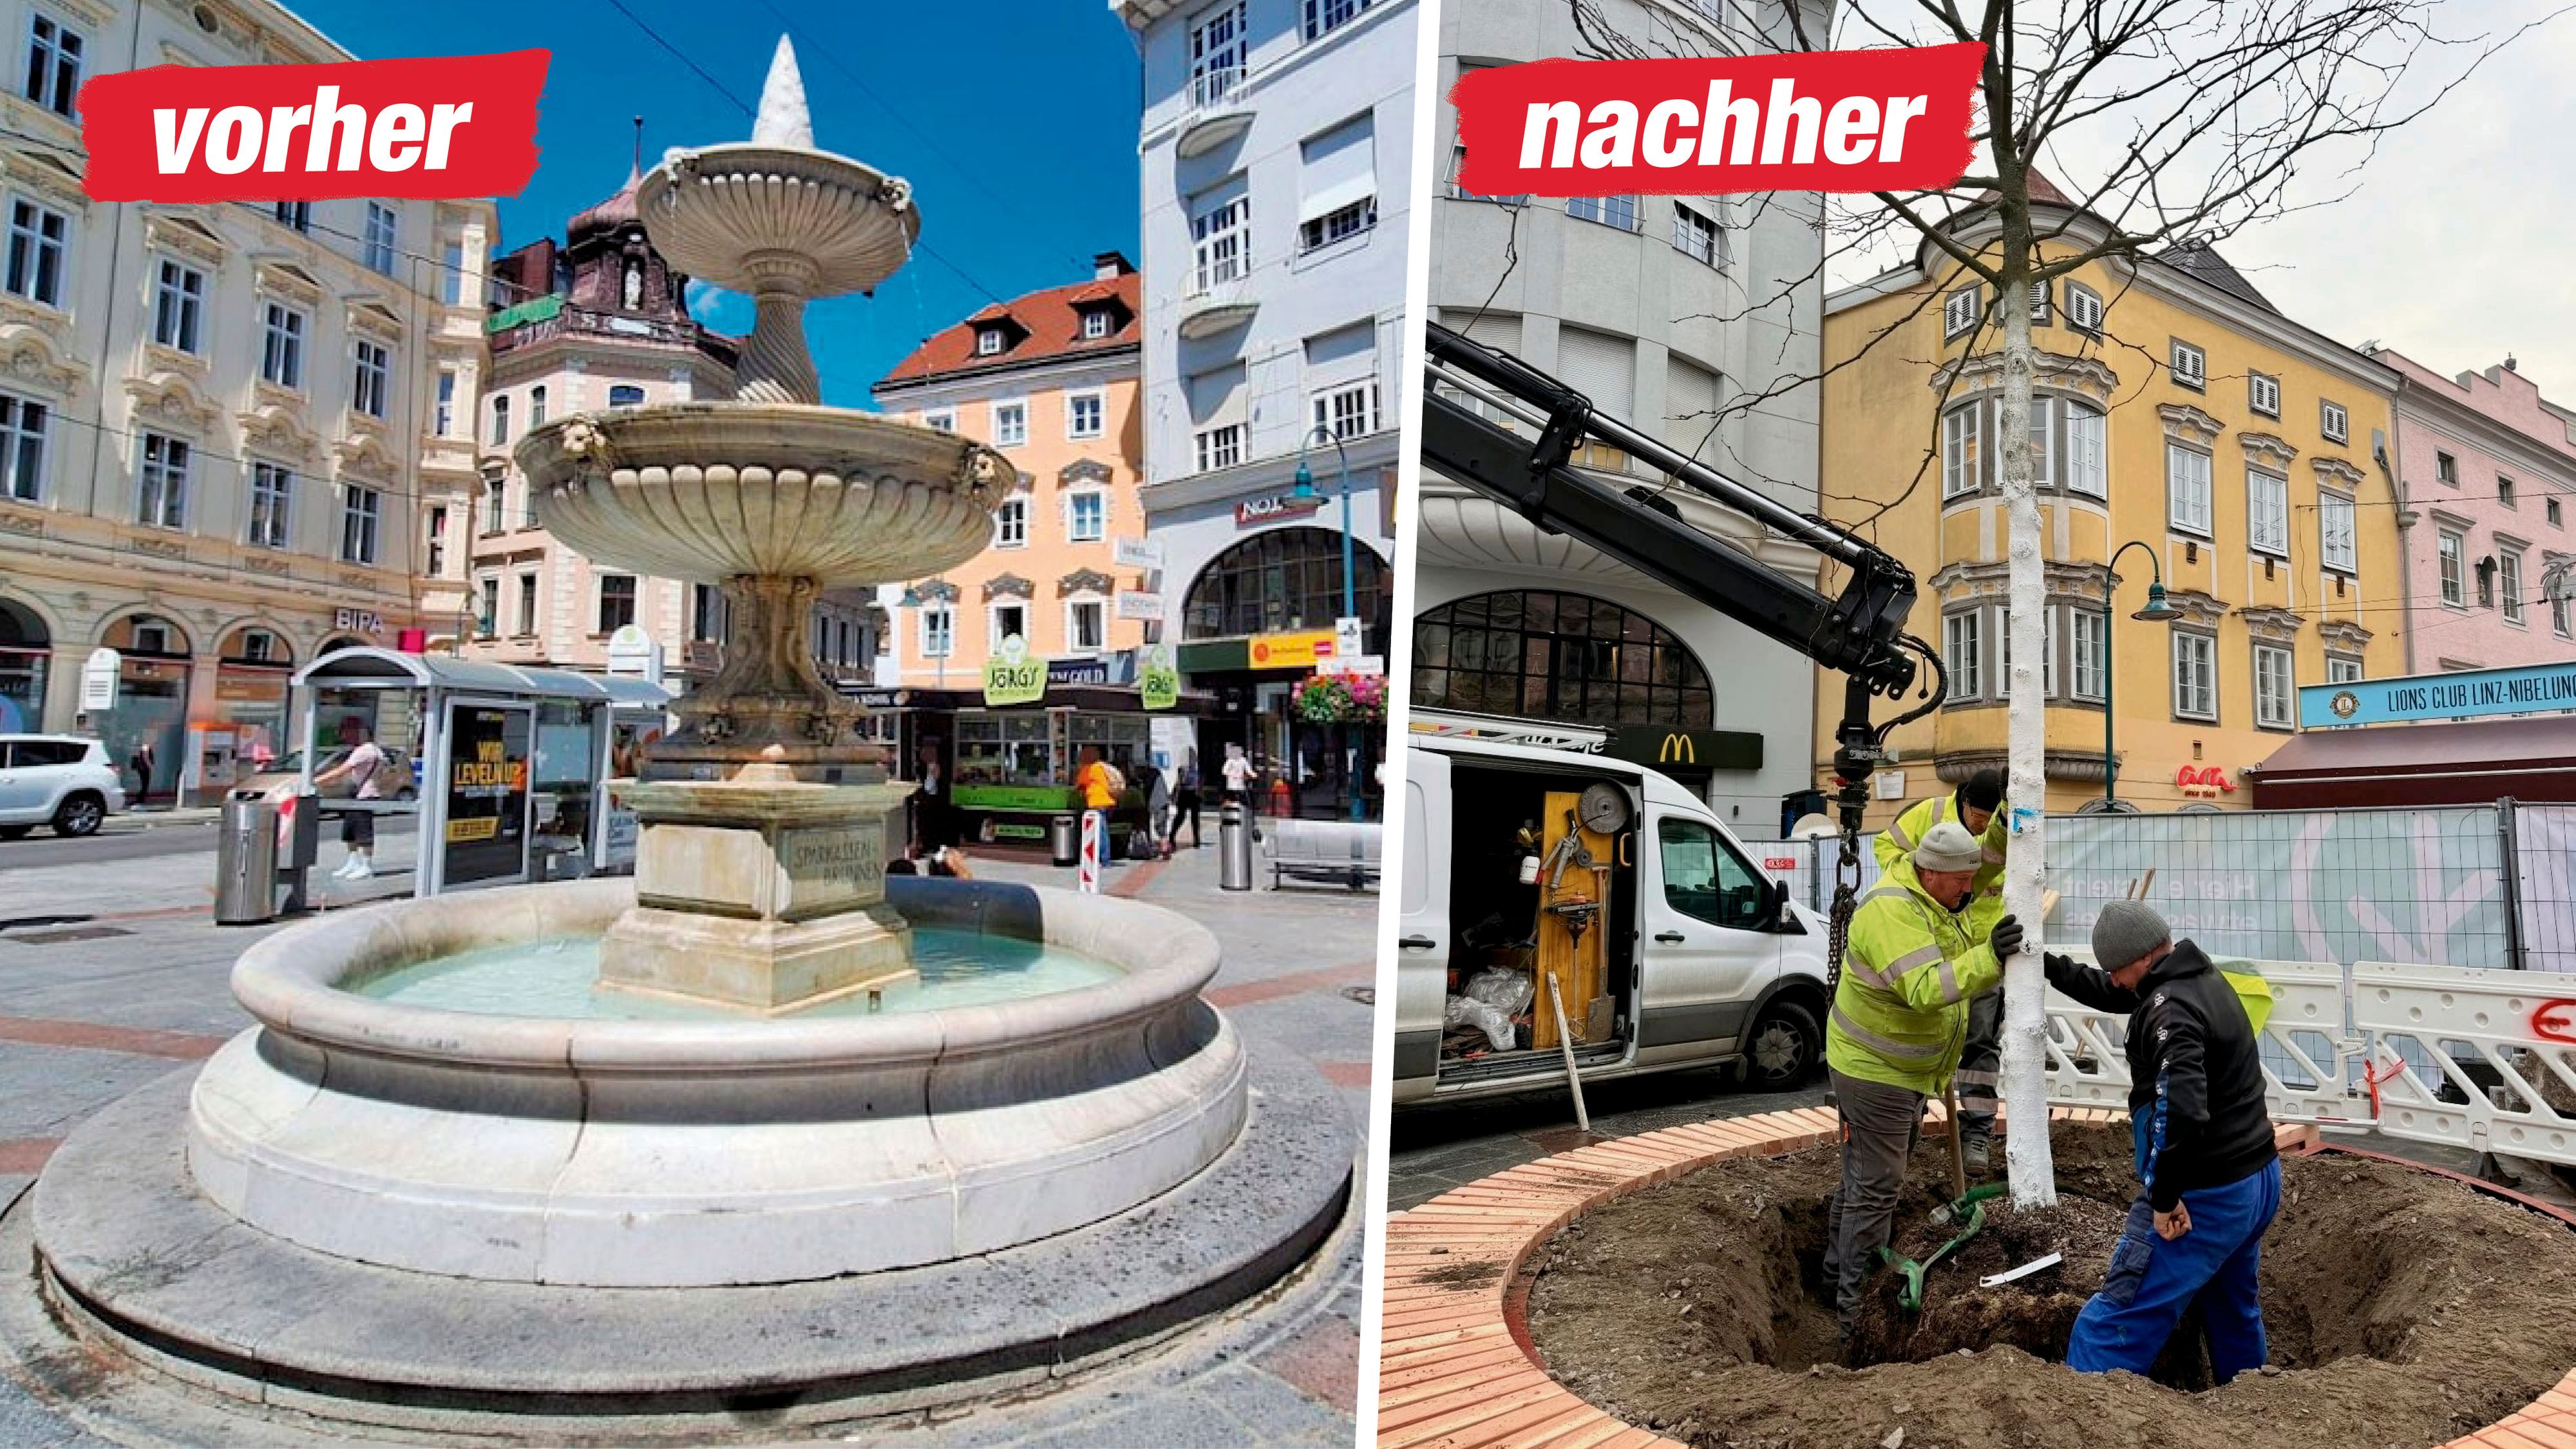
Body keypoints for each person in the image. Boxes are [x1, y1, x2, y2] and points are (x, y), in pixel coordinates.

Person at [2047, 901, 2283, 1383]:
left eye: (2117, 970)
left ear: (2144, 959)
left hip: (2206, 1193)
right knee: (2231, 1305)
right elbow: (2115, 992)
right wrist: (2043, 965)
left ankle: (2082, 1413)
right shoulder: (2197, 978)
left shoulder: (2169, 1011)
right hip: (2256, 1180)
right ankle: (2254, 1407)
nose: (2113, 981)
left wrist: (2164, 1196)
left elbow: (2182, 1111)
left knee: (2118, 1314)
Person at [1821, 819, 2022, 1345]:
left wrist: (2003, 821)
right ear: (1931, 873)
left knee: (1864, 1178)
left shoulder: (1935, 902)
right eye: (1962, 881)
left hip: (1897, 1071)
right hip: (1874, 1072)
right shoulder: (1892, 911)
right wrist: (1990, 957)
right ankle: (1853, 1320)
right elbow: (1928, 987)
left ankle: (1832, 1283)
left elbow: (1970, 926)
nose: (1969, 890)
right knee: (1875, 1189)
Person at [1874, 767, 2010, 1173]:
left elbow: (1997, 856)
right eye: (1979, 818)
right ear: (1964, 802)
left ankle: (1977, 1134)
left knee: (1979, 1043)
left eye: (1990, 820)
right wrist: (1923, 880)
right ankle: (1907, 1124)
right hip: (1931, 946)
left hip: (1983, 954)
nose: (1982, 825)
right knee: (1920, 1038)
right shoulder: (1930, 815)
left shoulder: (2001, 828)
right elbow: (1887, 849)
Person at [314, 716, 387, 880]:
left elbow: (342, 770)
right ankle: (353, 862)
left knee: (363, 831)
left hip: (364, 795)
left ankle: (366, 865)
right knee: (350, 831)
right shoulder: (372, 750)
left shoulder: (366, 751)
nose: (345, 736)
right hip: (358, 794)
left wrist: (315, 781)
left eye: (348, 732)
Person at [1074, 745, 1120, 878]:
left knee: (1100, 832)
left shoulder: (1090, 768)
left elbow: (1079, 783)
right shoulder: (1101, 767)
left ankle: (1104, 860)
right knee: (1103, 831)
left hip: (1097, 803)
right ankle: (1104, 859)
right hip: (1108, 802)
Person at [913, 741, 949, 853]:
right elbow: (923, 786)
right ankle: (926, 846)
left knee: (935, 824)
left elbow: (942, 784)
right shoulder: (920, 768)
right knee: (924, 825)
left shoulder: (942, 765)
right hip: (925, 801)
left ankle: (936, 846)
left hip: (937, 801)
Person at [1169, 750, 1203, 850]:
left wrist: (1200, 792)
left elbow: (1199, 782)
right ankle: (1172, 836)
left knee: (1195, 817)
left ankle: (1197, 839)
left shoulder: (1197, 769)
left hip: (1194, 794)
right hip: (1184, 793)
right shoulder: (1182, 769)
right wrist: (1175, 795)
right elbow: (1179, 782)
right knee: (1180, 816)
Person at [1139, 761, 1173, 860]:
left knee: (1159, 826)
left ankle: (1165, 848)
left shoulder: (1152, 775)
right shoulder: (1155, 773)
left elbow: (1147, 788)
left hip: (1159, 803)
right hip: (1161, 803)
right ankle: (1165, 848)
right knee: (1160, 826)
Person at [1220, 743, 1255, 808]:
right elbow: (1224, 771)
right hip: (1231, 785)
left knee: (1242, 801)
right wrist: (1233, 775)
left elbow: (1249, 770)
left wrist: (1253, 775)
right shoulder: (1230, 760)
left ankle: (1242, 813)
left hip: (1241, 785)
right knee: (1232, 800)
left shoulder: (1243, 760)